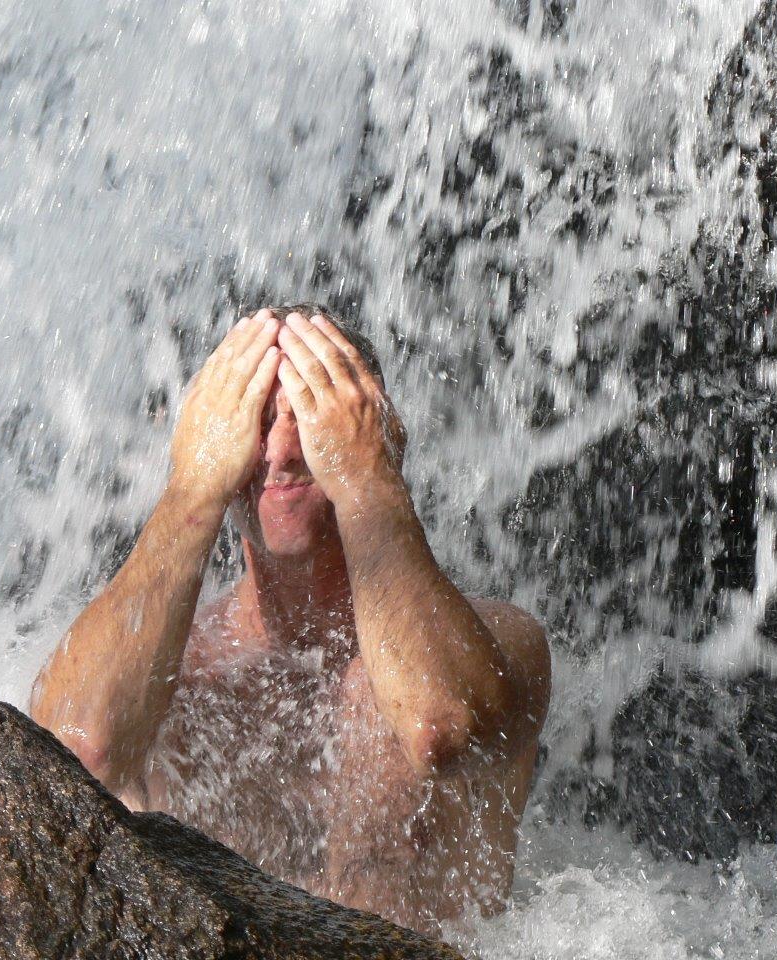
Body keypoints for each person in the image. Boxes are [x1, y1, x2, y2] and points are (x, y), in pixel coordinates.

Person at [30, 305, 551, 935]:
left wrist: (366, 478)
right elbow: (79, 751)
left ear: (373, 431)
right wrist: (192, 488)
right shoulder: (166, 671)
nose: (278, 452)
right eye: (252, 421)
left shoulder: (501, 642)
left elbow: (439, 726)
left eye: (307, 417)